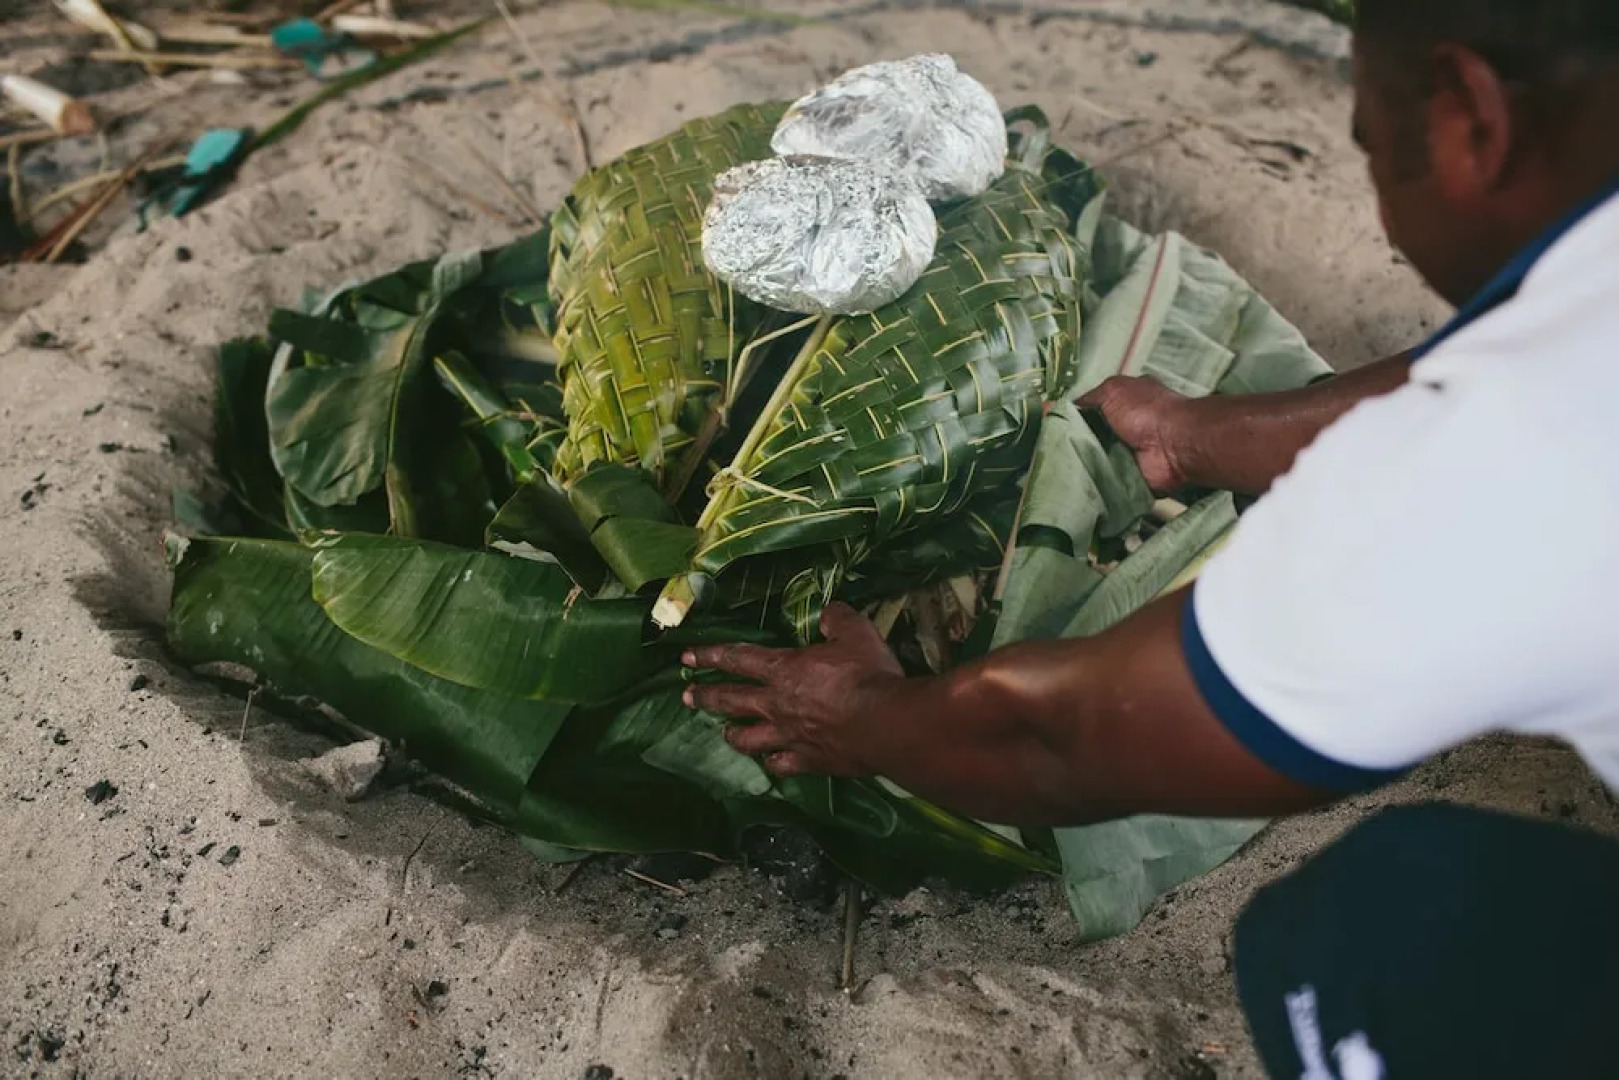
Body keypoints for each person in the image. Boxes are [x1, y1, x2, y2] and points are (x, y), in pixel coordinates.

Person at [681, 1, 1619, 1076]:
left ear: (1469, 116)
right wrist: (1194, 436)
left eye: (1366, 143)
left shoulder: (1504, 465)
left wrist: (861, 713)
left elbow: (1063, 742)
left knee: (1379, 935)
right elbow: (1507, 345)